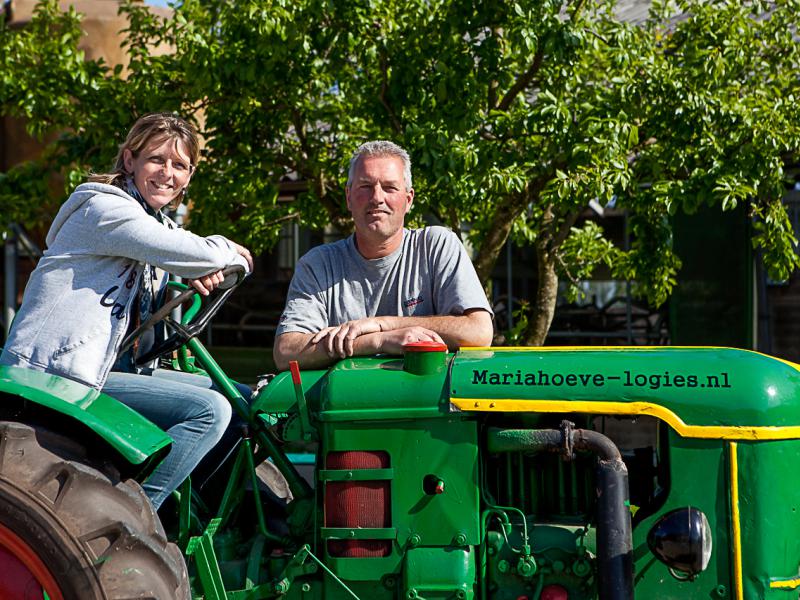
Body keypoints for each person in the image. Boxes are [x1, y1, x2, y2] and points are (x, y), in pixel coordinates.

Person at [0, 113, 253, 510]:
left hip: (107, 371)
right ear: (130, 160)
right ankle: (136, 517)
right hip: (57, 375)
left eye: (180, 164)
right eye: (156, 159)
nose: (167, 173)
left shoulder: (154, 222)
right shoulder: (103, 209)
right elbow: (196, 252)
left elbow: (191, 253)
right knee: (210, 411)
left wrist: (199, 266)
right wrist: (219, 252)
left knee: (242, 401)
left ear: (189, 175)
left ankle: (207, 514)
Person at [273, 140, 493, 371]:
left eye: (389, 187)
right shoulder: (318, 264)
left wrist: (382, 324)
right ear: (348, 197)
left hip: (426, 393)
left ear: (408, 200)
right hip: (348, 394)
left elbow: (479, 332)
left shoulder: (436, 246)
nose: (377, 197)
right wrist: (377, 340)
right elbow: (286, 351)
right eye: (365, 186)